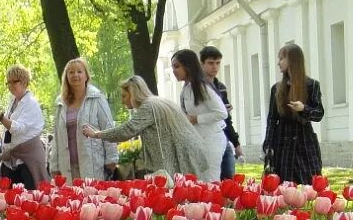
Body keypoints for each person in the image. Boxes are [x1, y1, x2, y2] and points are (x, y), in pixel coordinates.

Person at [82, 76, 207, 178]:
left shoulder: (148, 107)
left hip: (180, 157)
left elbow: (127, 130)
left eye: (124, 96)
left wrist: (97, 134)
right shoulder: (157, 102)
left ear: (133, 94)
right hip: (186, 155)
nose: (122, 101)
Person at [263, 43, 325, 185]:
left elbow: (319, 114)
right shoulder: (277, 88)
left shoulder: (311, 85)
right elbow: (272, 119)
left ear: (292, 60)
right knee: (282, 186)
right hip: (282, 144)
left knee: (307, 185)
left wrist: (303, 108)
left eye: (282, 59)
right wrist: (268, 145)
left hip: (304, 143)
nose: (278, 63)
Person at [0, 65, 50, 189]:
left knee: (31, 197)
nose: (11, 86)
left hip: (28, 159)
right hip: (11, 160)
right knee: (10, 199)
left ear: (24, 81)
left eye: (15, 81)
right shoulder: (13, 101)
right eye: (8, 83)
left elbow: (17, 128)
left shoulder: (31, 103)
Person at [51, 57, 119, 181]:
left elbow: (108, 128)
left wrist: (112, 158)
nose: (75, 75)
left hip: (92, 164)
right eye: (71, 72)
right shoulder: (61, 104)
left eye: (79, 71)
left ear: (86, 76)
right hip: (67, 167)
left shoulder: (97, 98)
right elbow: (56, 137)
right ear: (66, 77)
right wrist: (54, 164)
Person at [170, 48, 227, 181]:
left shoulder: (201, 86)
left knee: (210, 182)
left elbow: (221, 112)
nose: (174, 71)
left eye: (177, 66)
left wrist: (197, 119)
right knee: (198, 182)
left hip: (211, 140)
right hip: (198, 141)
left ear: (188, 66)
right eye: (173, 67)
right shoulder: (186, 88)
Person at [200, 45, 242, 179]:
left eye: (217, 63)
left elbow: (226, 119)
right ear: (202, 64)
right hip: (207, 139)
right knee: (212, 181)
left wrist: (236, 143)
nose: (215, 67)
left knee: (229, 180)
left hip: (224, 137)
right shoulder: (197, 88)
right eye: (210, 63)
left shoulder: (221, 88)